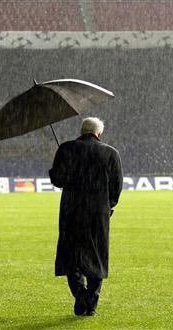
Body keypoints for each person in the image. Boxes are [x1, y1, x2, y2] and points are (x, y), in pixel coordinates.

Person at [49, 117, 123, 316]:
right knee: (97, 257)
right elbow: (116, 188)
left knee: (72, 257)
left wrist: (58, 165)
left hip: (71, 211)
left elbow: (58, 180)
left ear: (82, 131)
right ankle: (90, 301)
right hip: (98, 213)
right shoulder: (110, 153)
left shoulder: (66, 149)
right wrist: (109, 207)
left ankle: (81, 298)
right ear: (99, 134)